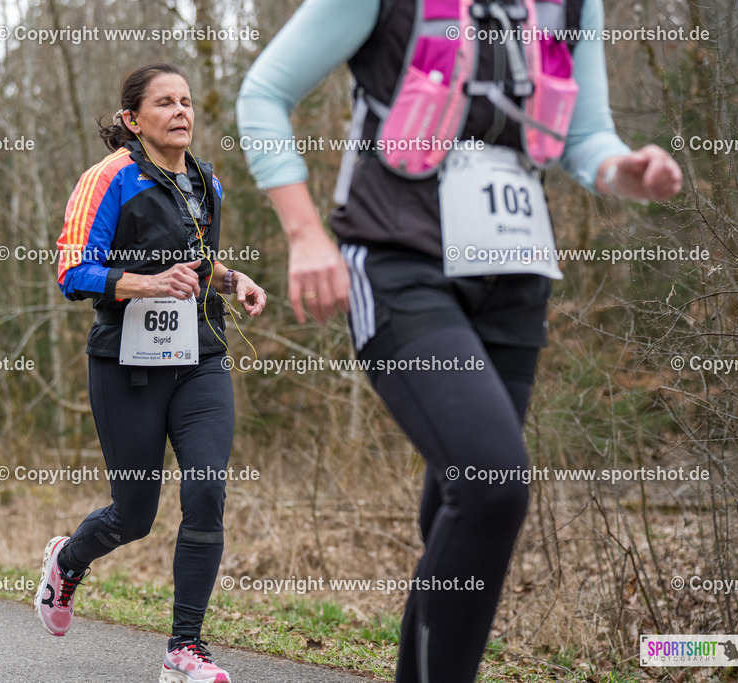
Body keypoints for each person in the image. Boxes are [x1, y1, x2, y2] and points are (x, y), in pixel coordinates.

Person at [237, 1, 681, 681]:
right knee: (491, 486)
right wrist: (304, 234)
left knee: (461, 509)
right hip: (399, 262)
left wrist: (626, 171)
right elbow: (264, 93)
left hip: (515, 275)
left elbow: (586, 136)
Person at [37, 62, 266, 683]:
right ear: (133, 119)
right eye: (165, 102)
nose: (181, 111)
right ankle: (68, 560)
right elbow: (72, 272)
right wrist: (147, 283)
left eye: (186, 101)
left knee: (207, 490)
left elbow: (198, 262)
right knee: (134, 515)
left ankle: (185, 648)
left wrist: (233, 279)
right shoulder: (109, 177)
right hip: (126, 366)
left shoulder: (206, 182)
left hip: (200, 358)